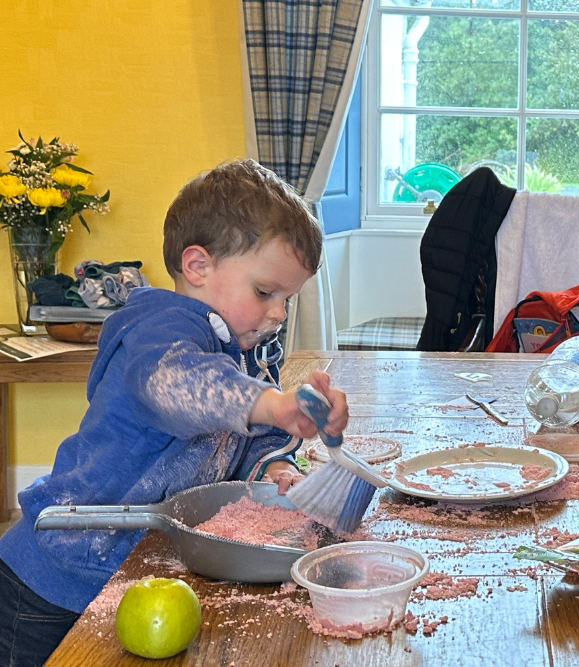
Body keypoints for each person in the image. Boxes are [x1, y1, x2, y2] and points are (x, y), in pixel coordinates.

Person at [0, 159, 348, 667]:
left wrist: (277, 465)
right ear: (198, 267)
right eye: (265, 292)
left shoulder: (243, 345)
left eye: (287, 299)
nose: (278, 314)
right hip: (56, 573)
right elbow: (178, 386)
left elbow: (248, 435)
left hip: (139, 570)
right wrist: (272, 404)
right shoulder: (158, 326)